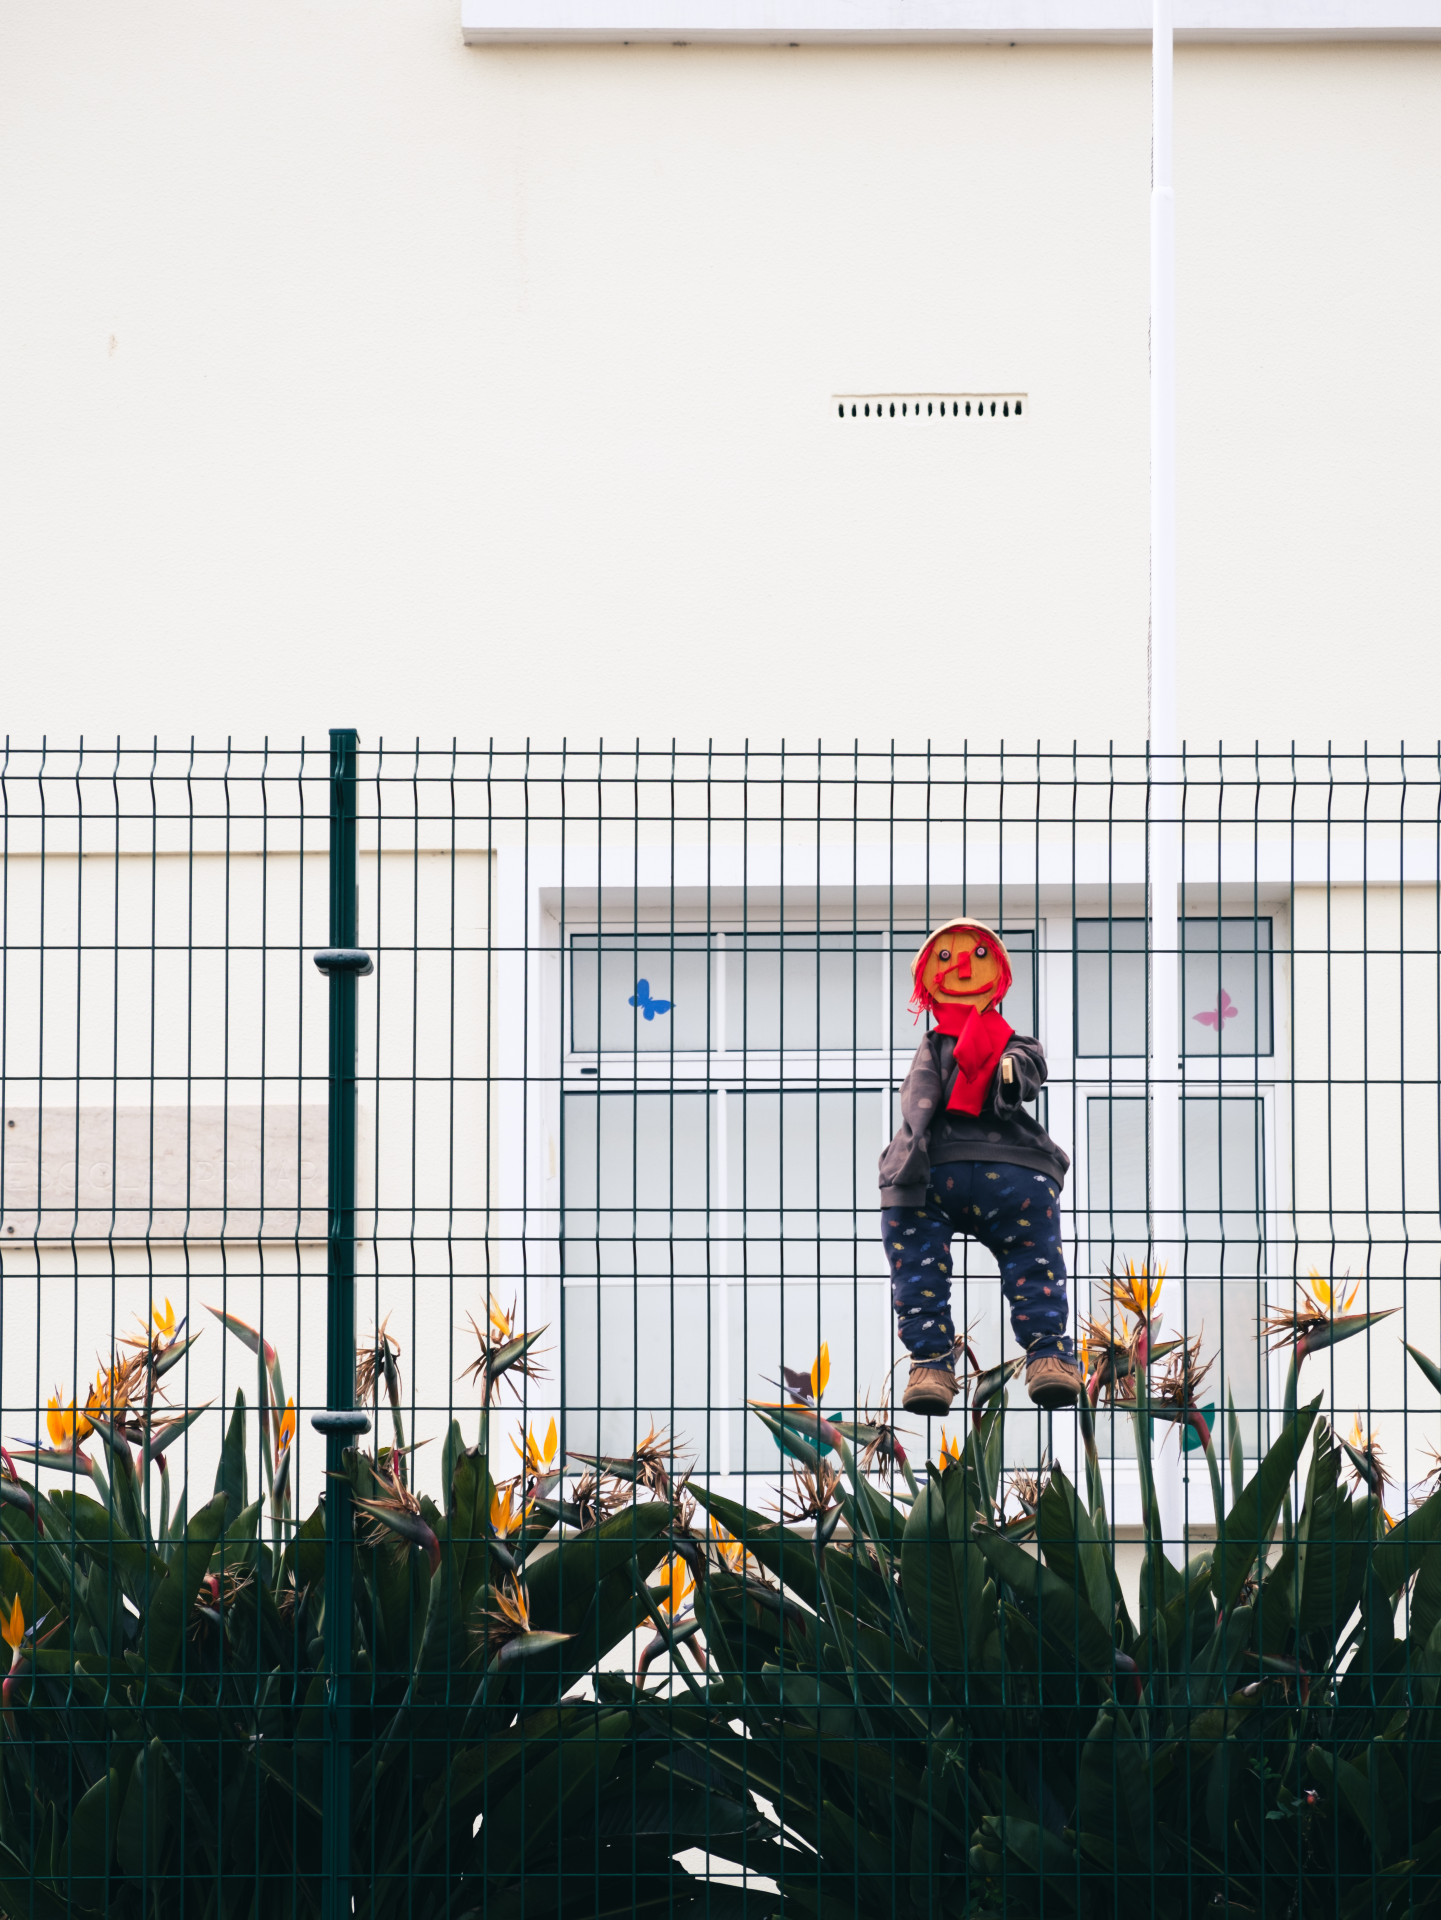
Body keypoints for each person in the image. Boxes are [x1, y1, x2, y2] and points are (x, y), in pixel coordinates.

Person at [879, 917, 1083, 1417]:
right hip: (950, 1165)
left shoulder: (1015, 1041)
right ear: (927, 978)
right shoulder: (934, 1044)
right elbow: (918, 1094)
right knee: (1020, 1255)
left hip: (999, 1164)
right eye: (946, 958)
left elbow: (1028, 1067)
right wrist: (916, 1138)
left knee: (1028, 1251)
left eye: (977, 955)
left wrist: (1010, 1075)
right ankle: (932, 1361)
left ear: (1000, 974)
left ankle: (1045, 1353)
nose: (963, 966)